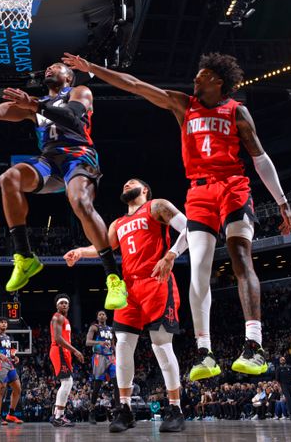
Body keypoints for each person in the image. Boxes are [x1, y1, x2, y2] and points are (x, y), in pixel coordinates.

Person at [63, 52, 291, 379]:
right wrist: (92, 69)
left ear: (217, 80)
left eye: (201, 76)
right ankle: (205, 352)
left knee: (240, 257)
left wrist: (282, 202)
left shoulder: (237, 112)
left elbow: (260, 158)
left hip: (233, 186)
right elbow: (136, 85)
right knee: (199, 268)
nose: (194, 80)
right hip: (199, 191)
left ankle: (253, 345)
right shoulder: (183, 104)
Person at [0, 63, 127, 310]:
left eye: (57, 67)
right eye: (48, 68)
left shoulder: (80, 92)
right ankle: (24, 257)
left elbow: (73, 118)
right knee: (8, 178)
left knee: (78, 201)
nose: (49, 69)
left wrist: (35, 105)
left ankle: (113, 278)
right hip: (48, 160)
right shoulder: (35, 102)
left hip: (78, 155)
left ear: (69, 76)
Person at [65, 178, 188, 433]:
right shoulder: (118, 223)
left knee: (161, 346)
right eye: (123, 183)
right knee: (121, 347)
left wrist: (171, 254)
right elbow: (103, 247)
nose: (125, 184)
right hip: (128, 288)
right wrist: (80, 251)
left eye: (132, 183)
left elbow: (189, 228)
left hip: (156, 280)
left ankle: (175, 408)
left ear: (145, 189)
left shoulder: (156, 206)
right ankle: (124, 409)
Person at [49, 293, 84, 427]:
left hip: (64, 351)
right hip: (58, 349)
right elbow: (58, 338)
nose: (64, 305)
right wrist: (75, 350)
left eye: (66, 303)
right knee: (67, 382)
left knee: (67, 382)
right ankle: (59, 416)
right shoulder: (57, 317)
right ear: (57, 305)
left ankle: (57, 415)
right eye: (61, 303)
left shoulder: (64, 319)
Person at [0, 316, 23, 425]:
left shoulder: (8, 337)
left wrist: (14, 357)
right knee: (1, 389)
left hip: (9, 363)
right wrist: (0, 356)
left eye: (5, 322)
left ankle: (11, 414)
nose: (4, 324)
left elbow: (9, 352)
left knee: (18, 389)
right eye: (1, 322)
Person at [85, 310, 117, 424]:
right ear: (97, 317)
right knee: (97, 385)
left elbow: (113, 344)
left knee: (116, 383)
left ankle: (117, 412)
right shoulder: (94, 327)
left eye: (103, 314)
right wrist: (99, 343)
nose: (102, 316)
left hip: (110, 357)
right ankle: (91, 412)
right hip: (99, 357)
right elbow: (87, 342)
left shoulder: (110, 329)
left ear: (106, 317)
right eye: (100, 314)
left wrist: (116, 354)